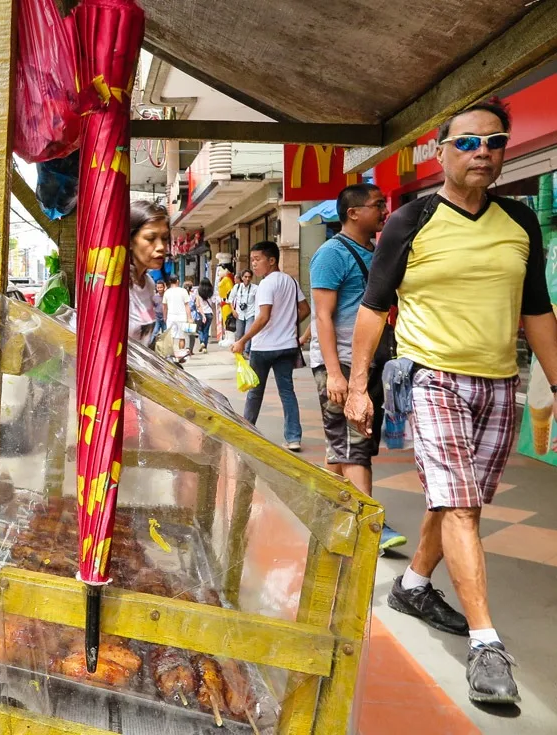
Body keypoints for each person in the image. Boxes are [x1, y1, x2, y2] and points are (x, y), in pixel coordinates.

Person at [345, 99, 557, 705]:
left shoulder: (520, 222)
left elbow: (536, 311)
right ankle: (488, 647)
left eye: (493, 141)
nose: (481, 153)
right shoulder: (410, 220)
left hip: (498, 384)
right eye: (467, 143)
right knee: (460, 504)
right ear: (441, 152)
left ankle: (413, 585)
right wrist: (358, 383)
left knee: (461, 501)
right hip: (432, 378)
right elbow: (373, 307)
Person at [309, 183, 406, 553]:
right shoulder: (331, 254)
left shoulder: (375, 252)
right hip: (345, 364)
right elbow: (322, 316)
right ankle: (371, 525)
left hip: (372, 363)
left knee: (344, 447)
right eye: (378, 205)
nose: (385, 210)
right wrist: (335, 373)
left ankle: (323, 512)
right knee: (354, 447)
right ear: (353, 213)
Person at [232, 241, 309, 451]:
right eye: (252, 260)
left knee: (255, 392)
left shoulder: (266, 284)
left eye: (258, 260)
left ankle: (246, 432)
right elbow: (304, 309)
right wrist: (287, 324)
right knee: (287, 391)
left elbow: (263, 317)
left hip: (264, 347)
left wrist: (242, 340)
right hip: (287, 346)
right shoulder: (290, 281)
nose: (254, 265)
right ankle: (293, 438)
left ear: (272, 260)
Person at [127, 201, 170, 345]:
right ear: (131, 241)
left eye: (164, 238)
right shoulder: (116, 286)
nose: (161, 247)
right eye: (151, 239)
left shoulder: (149, 284)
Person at [163, 274, 193, 357]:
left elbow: (164, 306)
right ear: (177, 281)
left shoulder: (167, 292)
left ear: (170, 282)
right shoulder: (183, 291)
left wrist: (165, 316)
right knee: (181, 337)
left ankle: (171, 355)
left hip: (171, 316)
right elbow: (187, 305)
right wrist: (189, 317)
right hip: (182, 317)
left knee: (171, 337)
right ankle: (181, 354)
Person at [231, 269, 257, 355]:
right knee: (239, 333)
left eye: (249, 277)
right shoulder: (237, 287)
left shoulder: (255, 288)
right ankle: (238, 351)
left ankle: (246, 351)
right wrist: (233, 310)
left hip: (250, 313)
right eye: (245, 277)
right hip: (239, 314)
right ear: (242, 277)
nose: (247, 279)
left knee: (248, 332)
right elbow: (230, 299)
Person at [216, 263, 235, 342]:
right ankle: (227, 337)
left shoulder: (227, 279)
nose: (218, 273)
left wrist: (227, 300)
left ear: (226, 270)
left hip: (227, 303)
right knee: (225, 320)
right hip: (223, 303)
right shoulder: (223, 279)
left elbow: (230, 291)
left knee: (228, 320)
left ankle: (230, 338)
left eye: (220, 270)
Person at [194, 278, 214, 352]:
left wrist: (203, 315)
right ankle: (205, 347)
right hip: (210, 313)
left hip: (201, 313)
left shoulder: (198, 292)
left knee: (199, 330)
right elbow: (214, 301)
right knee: (206, 330)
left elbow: (198, 305)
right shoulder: (211, 292)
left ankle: (202, 342)